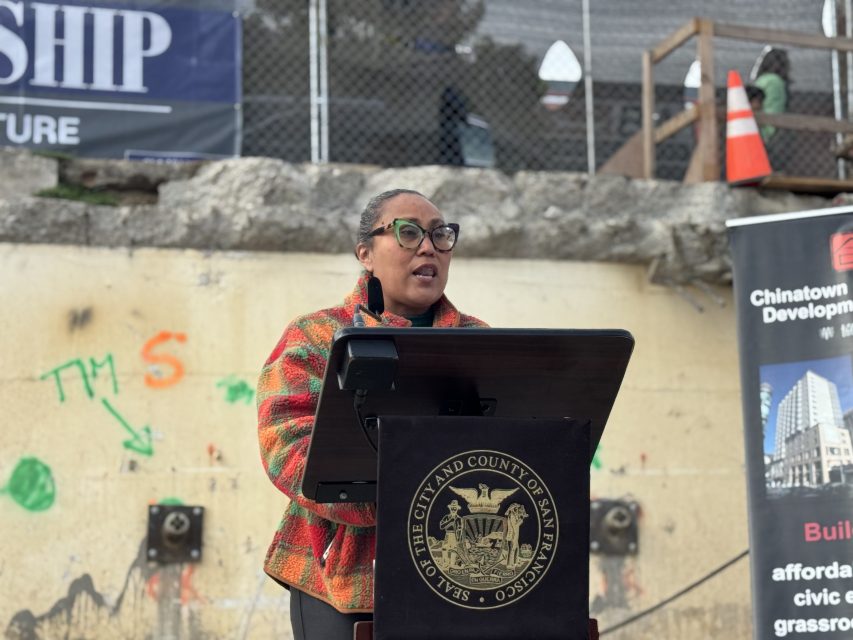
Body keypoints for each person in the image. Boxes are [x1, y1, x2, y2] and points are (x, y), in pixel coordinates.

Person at [256, 188, 488, 640]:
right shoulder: (317, 335)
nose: (428, 247)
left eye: (440, 235)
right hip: (338, 578)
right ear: (366, 253)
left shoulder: (479, 339)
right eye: (408, 233)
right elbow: (286, 450)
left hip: (460, 574)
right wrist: (400, 501)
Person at [752, 48, 790, 143]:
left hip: (756, 128)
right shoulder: (776, 82)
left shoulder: (760, 80)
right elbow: (774, 110)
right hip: (769, 132)